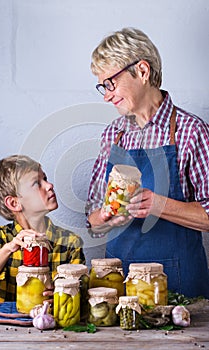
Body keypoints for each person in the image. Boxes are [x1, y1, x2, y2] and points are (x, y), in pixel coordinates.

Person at [86, 27, 209, 298]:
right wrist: (106, 218)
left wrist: (158, 204)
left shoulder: (191, 131)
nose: (106, 95)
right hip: (117, 289)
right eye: (102, 86)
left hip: (179, 289)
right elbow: (92, 221)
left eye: (111, 83)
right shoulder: (113, 134)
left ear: (142, 71)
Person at [0, 155, 85, 304]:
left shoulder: (70, 242)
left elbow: (81, 288)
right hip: (10, 323)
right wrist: (9, 248)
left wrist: (62, 293)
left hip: (53, 322)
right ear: (14, 203)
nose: (49, 185)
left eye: (45, 178)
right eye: (37, 183)